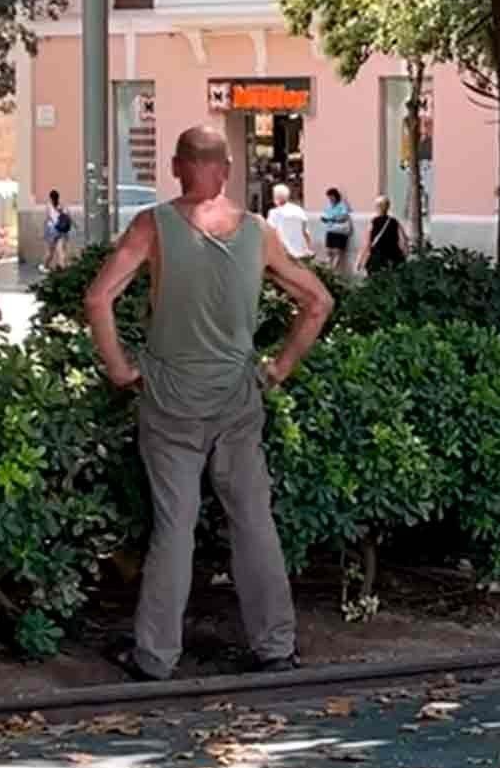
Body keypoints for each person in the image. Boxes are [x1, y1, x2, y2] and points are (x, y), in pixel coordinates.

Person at [84, 125, 333, 681]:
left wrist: (122, 370)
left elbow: (98, 297)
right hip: (238, 398)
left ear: (176, 167)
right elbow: (318, 301)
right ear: (224, 170)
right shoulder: (259, 233)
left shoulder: (153, 225)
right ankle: (276, 648)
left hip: (170, 399)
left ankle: (155, 658)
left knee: (175, 526)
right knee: (253, 521)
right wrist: (279, 368)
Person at [358, 195, 408, 274]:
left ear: (377, 207)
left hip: (377, 259)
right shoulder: (394, 222)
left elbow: (367, 243)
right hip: (394, 257)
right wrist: (404, 255)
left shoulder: (373, 222)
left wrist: (360, 260)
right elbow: (404, 240)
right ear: (388, 207)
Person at [265, 183, 313, 261]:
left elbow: (270, 233)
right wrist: (309, 248)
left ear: (275, 197)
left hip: (284, 253)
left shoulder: (274, 212)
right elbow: (305, 232)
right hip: (300, 252)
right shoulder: (298, 209)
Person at [319, 187, 353, 273]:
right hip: (330, 230)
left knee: (338, 252)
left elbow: (344, 217)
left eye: (331, 197)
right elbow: (326, 215)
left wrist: (333, 219)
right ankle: (329, 270)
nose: (330, 199)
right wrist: (324, 219)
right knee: (328, 251)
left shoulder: (342, 205)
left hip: (340, 231)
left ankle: (333, 271)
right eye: (329, 197)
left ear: (335, 196)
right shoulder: (329, 206)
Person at [43, 188, 73, 271]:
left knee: (50, 251)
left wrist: (45, 231)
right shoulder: (63, 206)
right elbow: (69, 218)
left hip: (52, 230)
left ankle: (46, 266)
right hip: (62, 230)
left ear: (50, 197)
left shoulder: (48, 206)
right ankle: (62, 267)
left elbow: (48, 218)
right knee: (61, 251)